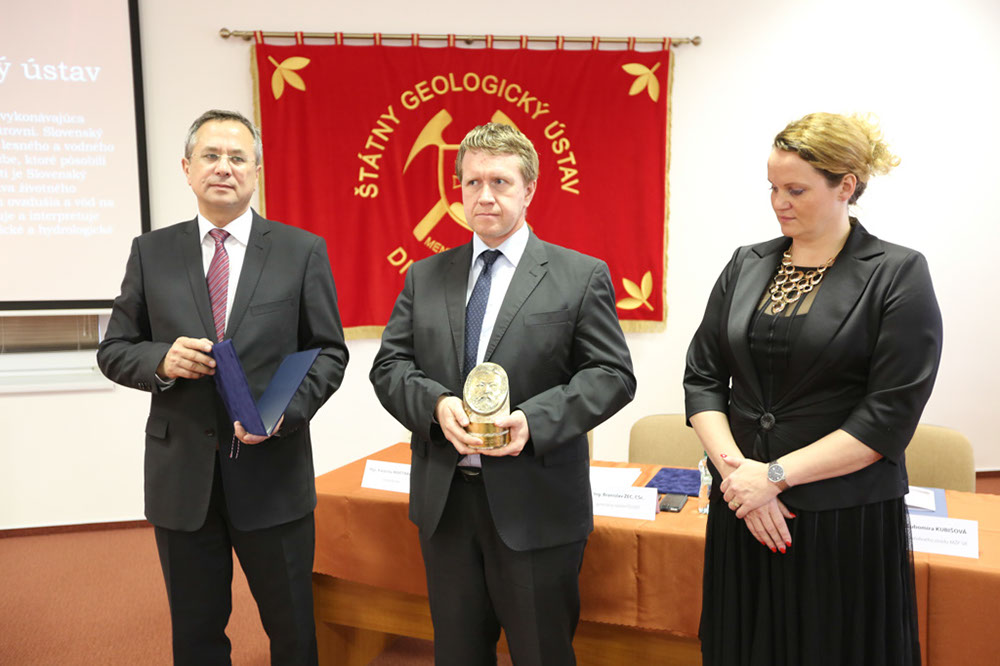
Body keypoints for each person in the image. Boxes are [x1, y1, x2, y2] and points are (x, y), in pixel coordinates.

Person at [370, 122, 636, 665]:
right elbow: (389, 366)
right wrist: (435, 405)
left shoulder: (579, 275)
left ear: (529, 189)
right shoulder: (425, 276)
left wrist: (534, 420)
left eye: (500, 182)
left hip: (537, 506)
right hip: (447, 505)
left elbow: (612, 374)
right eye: (472, 183)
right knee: (458, 654)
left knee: (541, 654)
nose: (484, 196)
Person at [684, 112, 942, 665]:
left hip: (838, 515)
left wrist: (774, 477)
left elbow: (887, 417)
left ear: (845, 186)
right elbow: (702, 377)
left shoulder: (896, 272)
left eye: (796, 190)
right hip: (743, 505)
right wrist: (739, 477)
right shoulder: (746, 263)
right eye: (772, 188)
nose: (779, 202)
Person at [97, 109, 349, 665]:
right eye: (210, 156)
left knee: (294, 631)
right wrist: (162, 360)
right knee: (196, 636)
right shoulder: (151, 252)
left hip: (273, 475)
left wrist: (285, 413)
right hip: (182, 481)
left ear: (256, 171)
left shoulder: (300, 251)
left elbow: (329, 352)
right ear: (187, 169)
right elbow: (114, 350)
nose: (224, 167)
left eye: (238, 157)